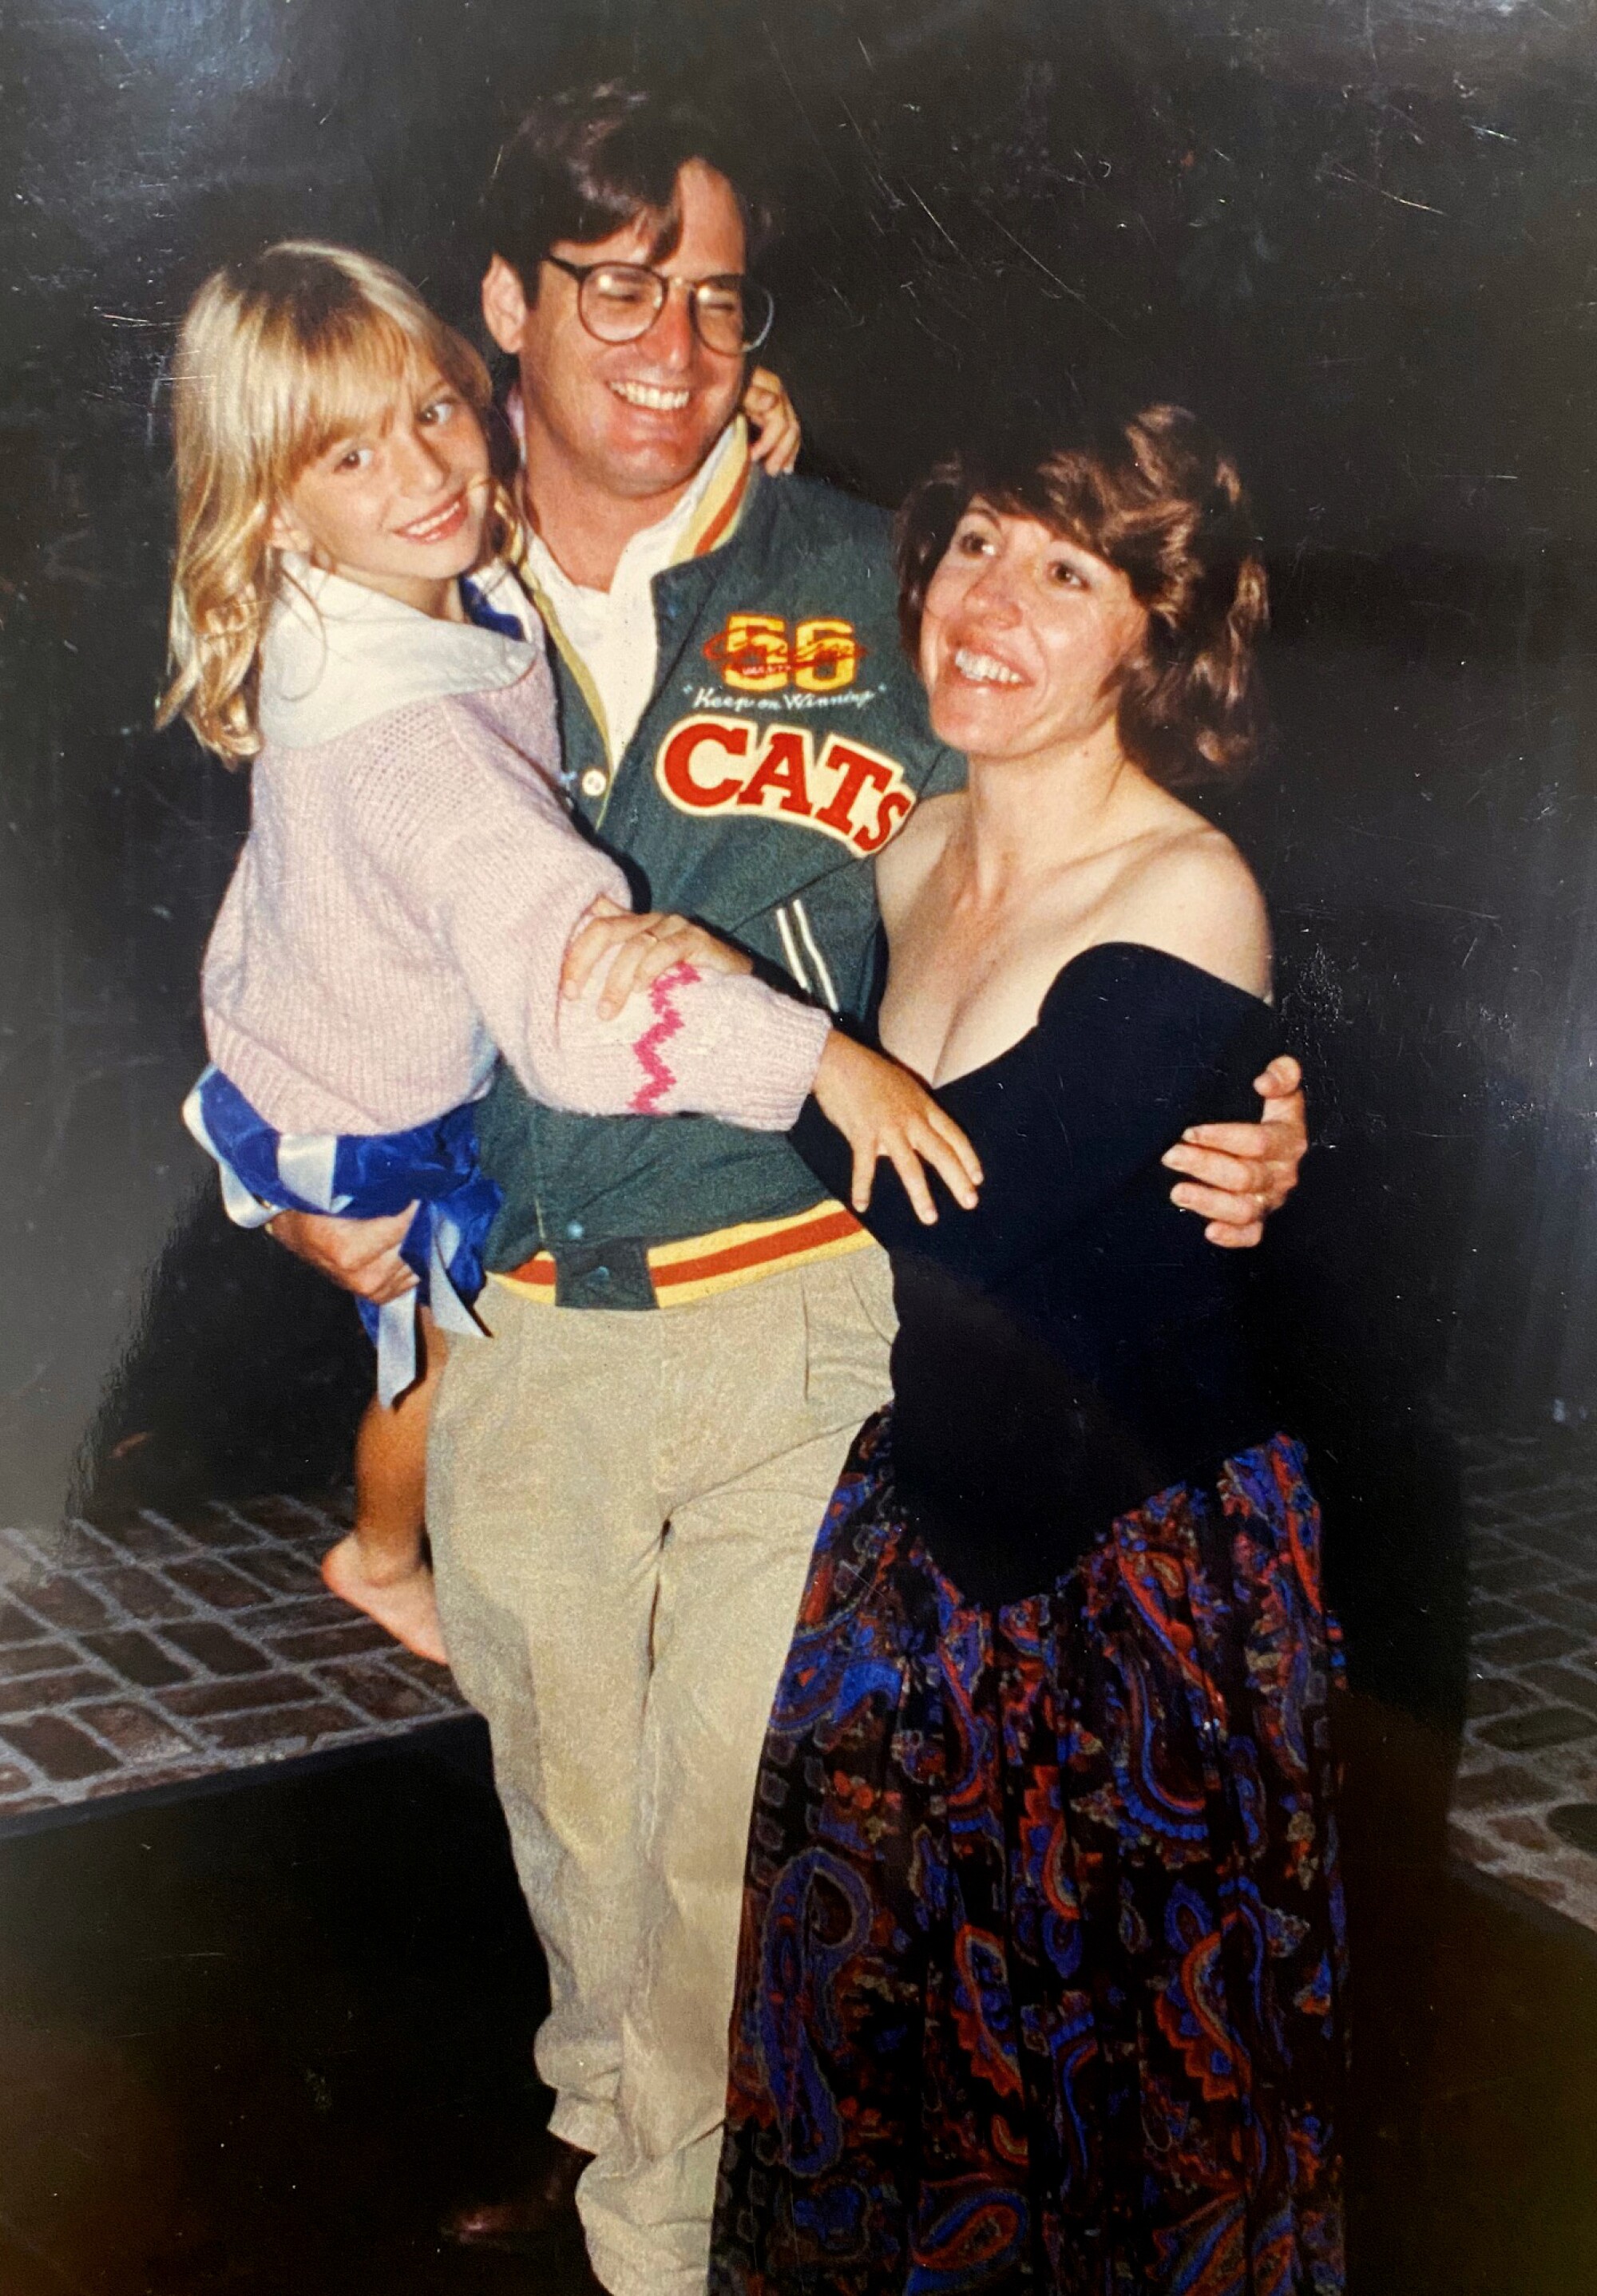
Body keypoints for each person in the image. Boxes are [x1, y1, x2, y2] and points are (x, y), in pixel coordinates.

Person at [264, 88, 1312, 2296]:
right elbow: (303, 944)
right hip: (521, 1326)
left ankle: (695, 2242)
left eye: (717, 294)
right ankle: (618, 2168)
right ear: (506, 312)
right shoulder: (388, 612)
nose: (673, 339)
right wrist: (286, 1174)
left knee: (743, 1847)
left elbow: (1085, 847)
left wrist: (1263, 1091)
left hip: (806, 1321)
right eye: (620, 285)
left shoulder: (877, 574)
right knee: (577, 1839)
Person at [711, 406, 1346, 2294]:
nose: (991, 602)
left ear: (1153, 636)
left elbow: (955, 1210)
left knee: (1127, 2137)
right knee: (888, 2087)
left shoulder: (1185, 890)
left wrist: (752, 1038)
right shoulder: (902, 855)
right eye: (976, 543)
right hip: (921, 1561)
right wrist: (773, 1031)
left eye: (1068, 574)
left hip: (1148, 1591)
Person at [162, 239, 980, 1668]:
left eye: (432, 412)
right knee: (430, 1346)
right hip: (370, 1115)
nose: (423, 477)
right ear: (281, 516)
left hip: (291, 1030)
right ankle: (380, 1555)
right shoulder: (420, 752)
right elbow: (584, 1019)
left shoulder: (356, 601)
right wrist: (819, 1061)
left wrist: (721, 415)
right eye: (350, 460)